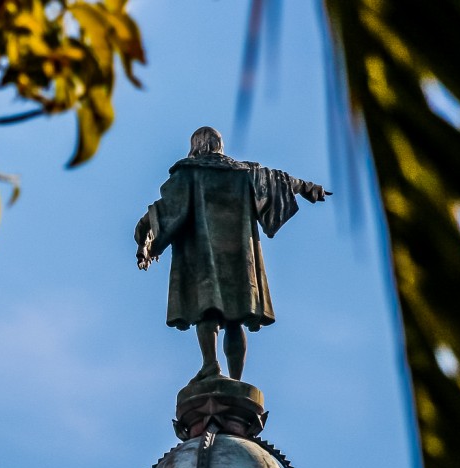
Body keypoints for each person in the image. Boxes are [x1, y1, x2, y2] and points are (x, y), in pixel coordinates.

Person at [135, 127, 329, 382]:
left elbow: (167, 208)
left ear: (197, 146)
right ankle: (236, 379)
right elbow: (280, 180)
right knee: (236, 318)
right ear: (218, 145)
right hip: (240, 259)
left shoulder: (189, 172)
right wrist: (308, 188)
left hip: (203, 257)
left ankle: (210, 364)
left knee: (207, 311)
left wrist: (143, 233)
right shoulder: (245, 172)